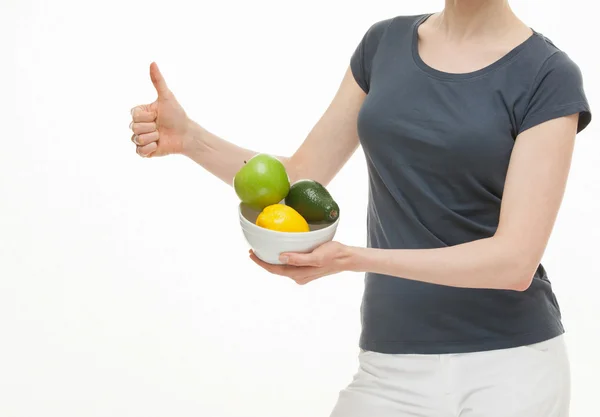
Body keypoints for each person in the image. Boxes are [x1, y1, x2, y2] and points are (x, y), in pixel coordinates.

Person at [128, 1, 592, 415]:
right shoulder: (382, 46)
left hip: (511, 368)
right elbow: (299, 177)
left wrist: (354, 258)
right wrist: (191, 139)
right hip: (390, 363)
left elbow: (513, 262)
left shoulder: (546, 74)